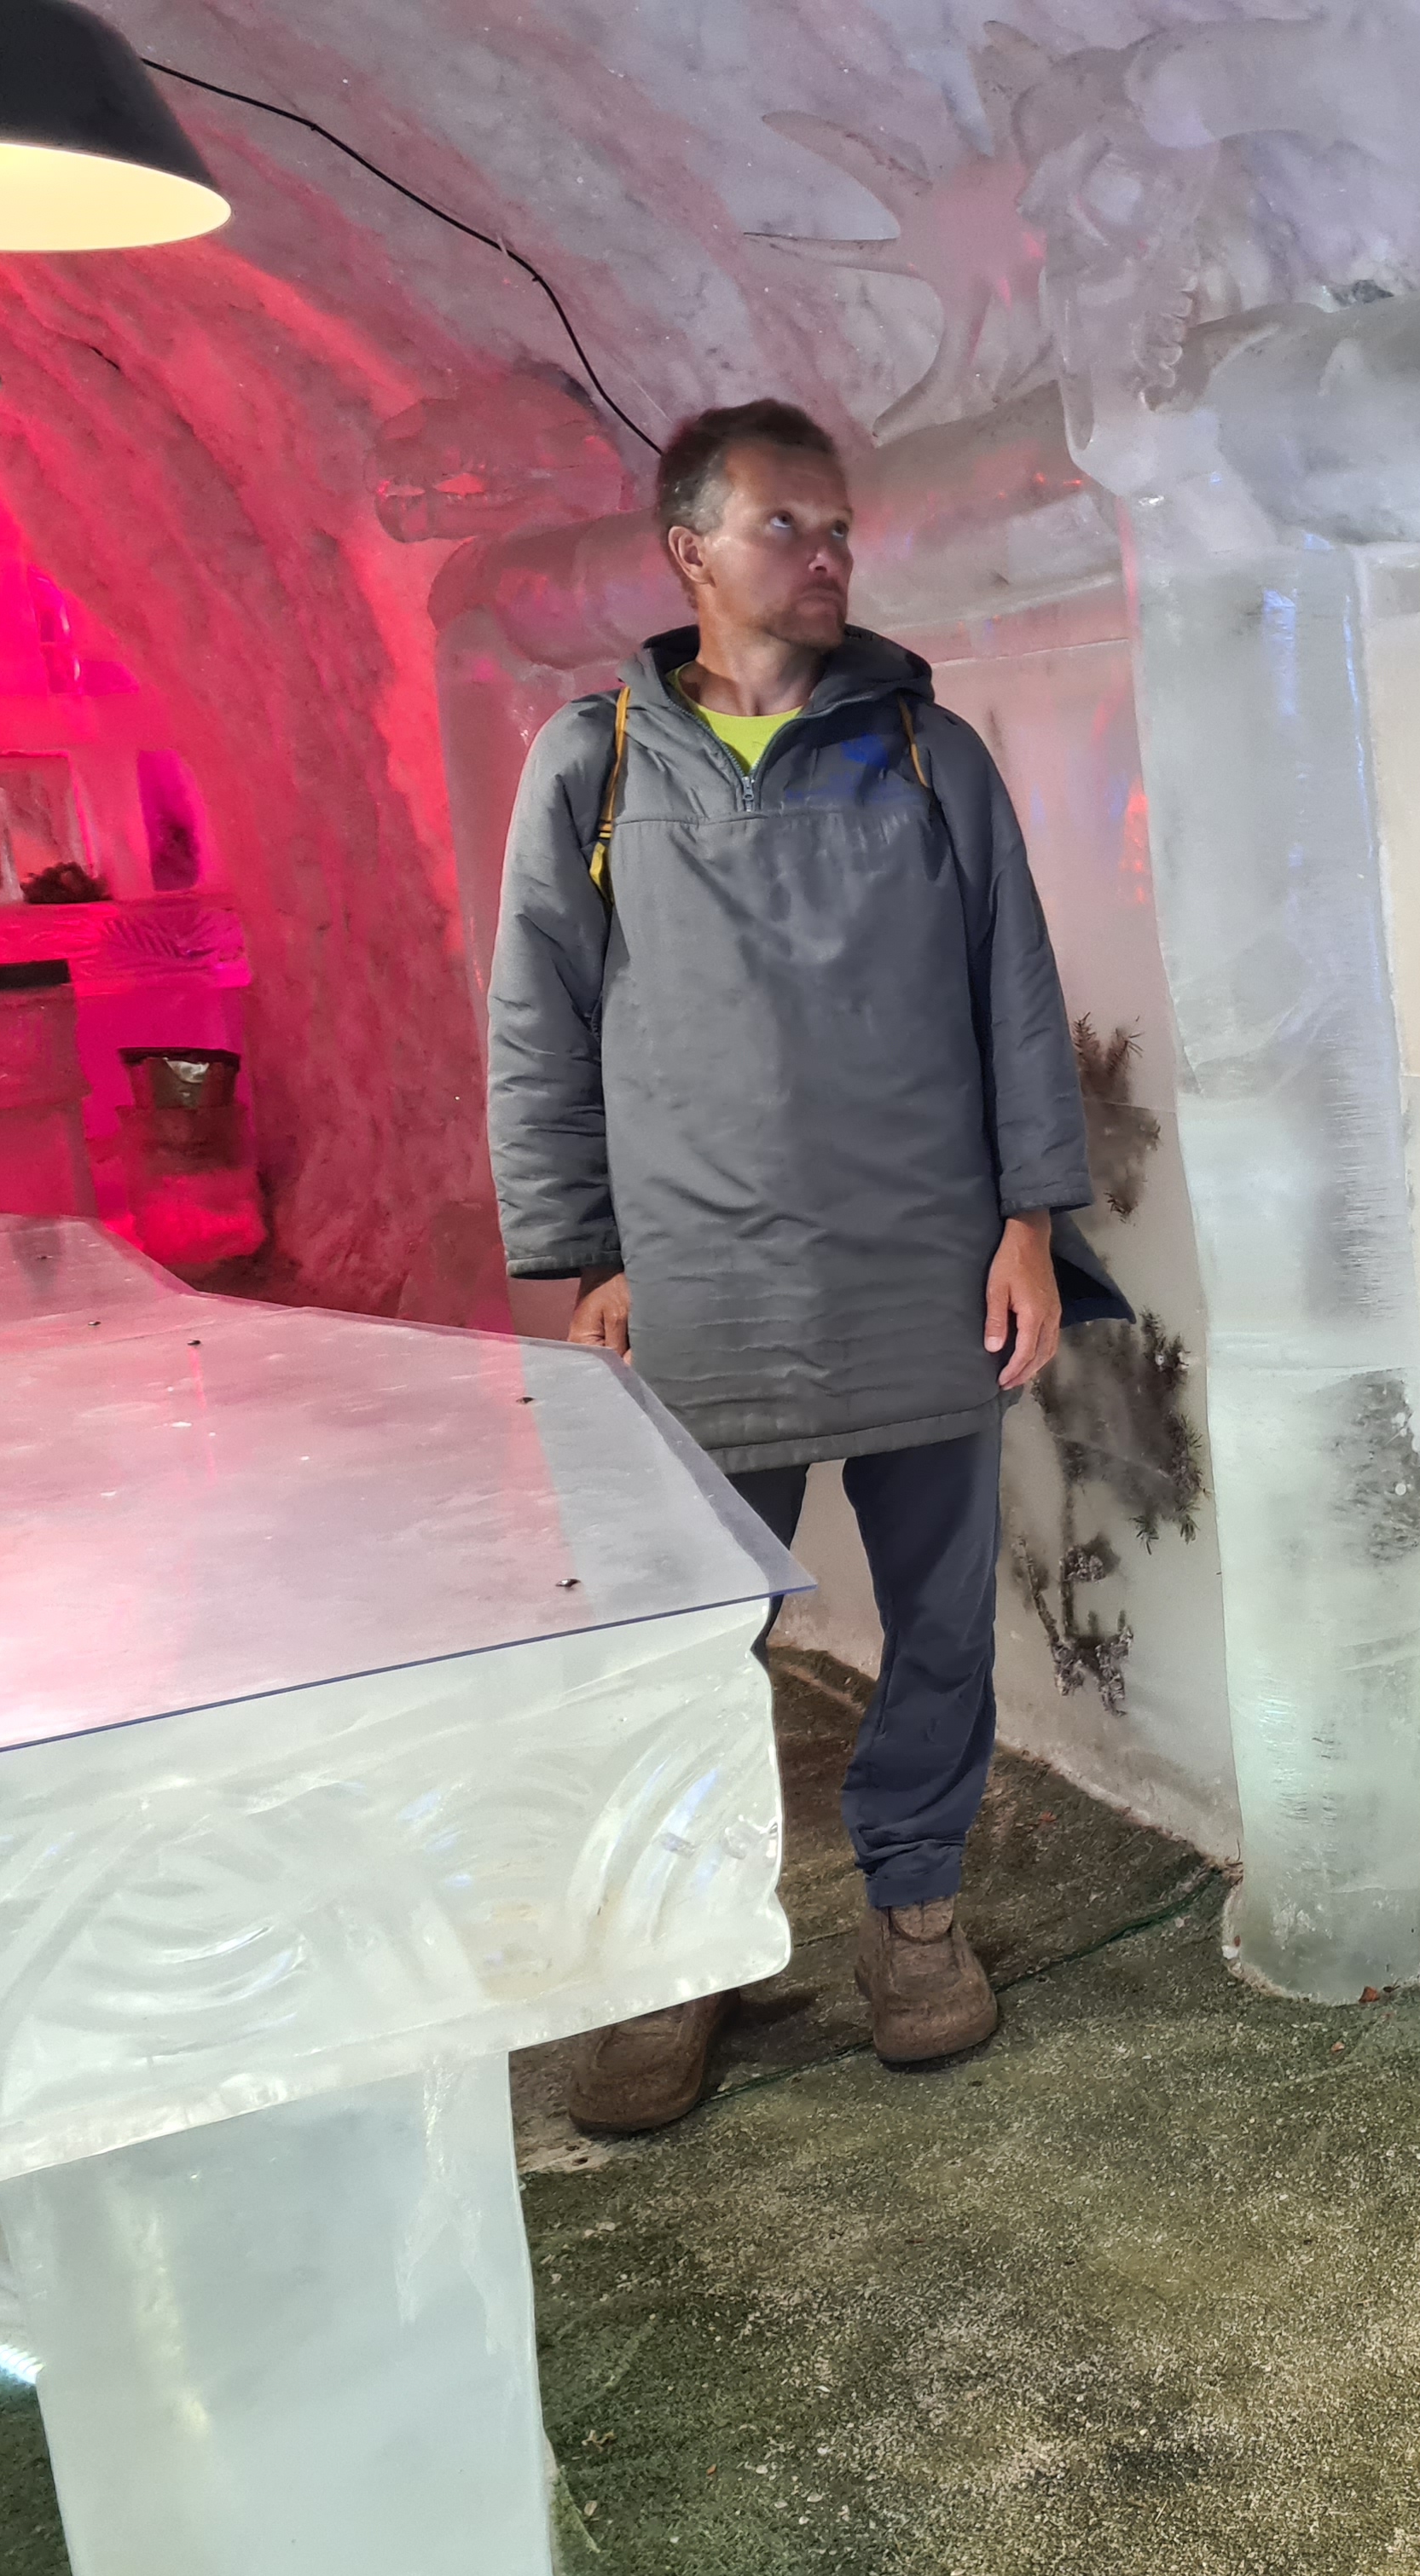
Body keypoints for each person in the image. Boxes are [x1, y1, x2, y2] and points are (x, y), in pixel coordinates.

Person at [487, 399, 1125, 2132]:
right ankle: (687, 1952)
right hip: (699, 1280)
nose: (829, 555)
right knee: (688, 1639)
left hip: (928, 1268)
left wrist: (1028, 1226)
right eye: (787, 526)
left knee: (938, 1621)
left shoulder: (927, 755)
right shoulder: (597, 764)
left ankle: (915, 1920)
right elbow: (537, 1026)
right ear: (688, 551)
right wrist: (582, 1256)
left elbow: (1013, 992)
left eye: (838, 528)